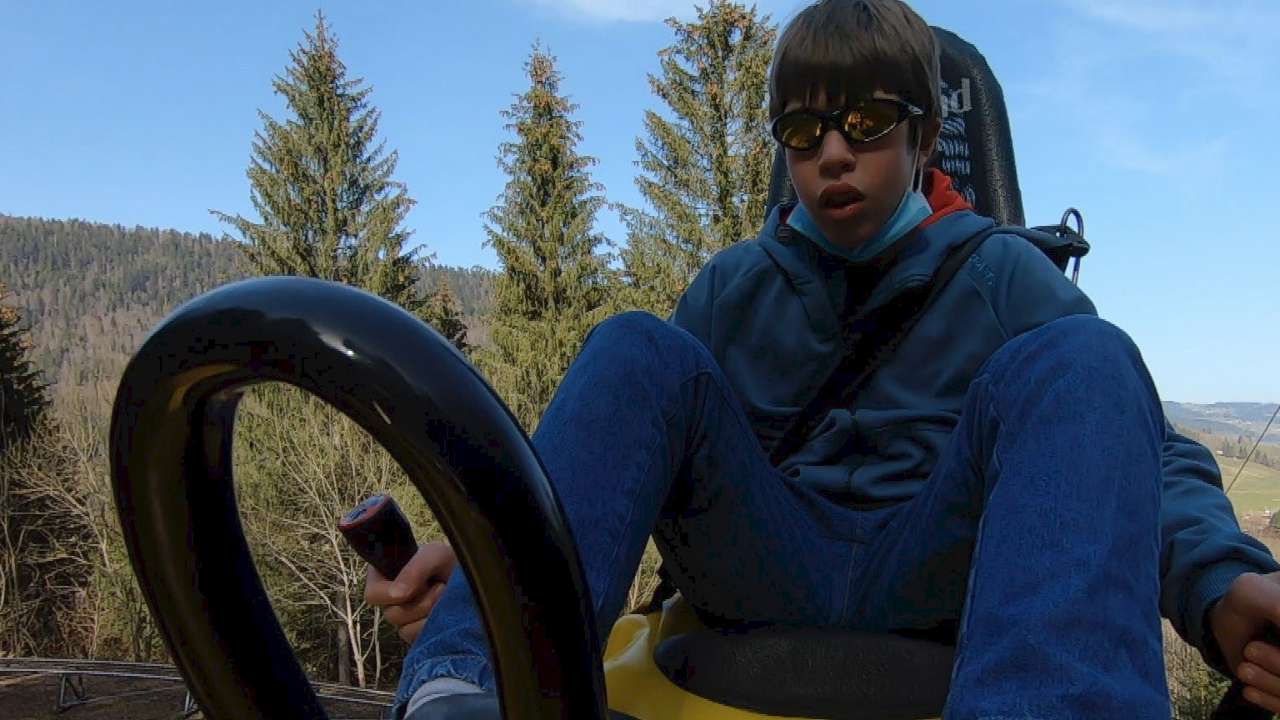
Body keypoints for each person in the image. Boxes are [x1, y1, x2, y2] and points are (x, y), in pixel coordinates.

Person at [367, 1, 1280, 717]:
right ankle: (469, 682)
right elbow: (621, 446)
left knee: (1086, 356)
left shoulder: (1004, 276)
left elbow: (1141, 454)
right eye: (804, 133)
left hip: (935, 566)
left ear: (924, 137)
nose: (834, 153)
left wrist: (1218, 581)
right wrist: (498, 553)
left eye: (867, 122)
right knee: (636, 347)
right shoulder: (732, 288)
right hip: (765, 559)